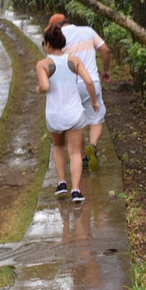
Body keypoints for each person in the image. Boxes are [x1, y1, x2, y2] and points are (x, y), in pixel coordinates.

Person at [36, 22, 99, 203]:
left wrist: (40, 89)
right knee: (75, 153)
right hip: (74, 114)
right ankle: (76, 191)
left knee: (57, 147)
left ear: (47, 44)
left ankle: (61, 182)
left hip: (55, 115)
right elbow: (88, 81)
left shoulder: (43, 64)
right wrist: (94, 101)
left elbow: (45, 86)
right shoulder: (74, 61)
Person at [47, 13, 111, 171]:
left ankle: (82, 158)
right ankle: (93, 146)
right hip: (91, 82)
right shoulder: (88, 31)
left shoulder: (58, 37)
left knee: (77, 123)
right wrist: (106, 70)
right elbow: (106, 50)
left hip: (71, 85)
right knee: (96, 119)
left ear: (56, 26)